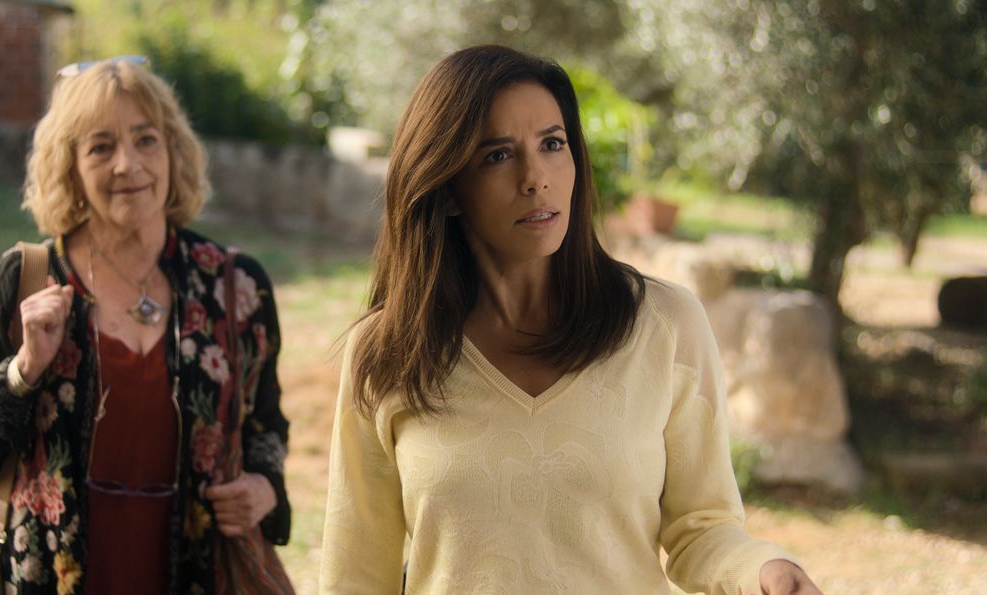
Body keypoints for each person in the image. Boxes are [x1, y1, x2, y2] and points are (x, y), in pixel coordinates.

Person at [319, 45, 822, 594]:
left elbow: (701, 530)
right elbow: (355, 573)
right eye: (497, 155)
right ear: (447, 191)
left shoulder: (665, 326)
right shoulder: (389, 351)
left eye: (552, 144)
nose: (536, 177)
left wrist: (764, 569)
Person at [0, 56, 291, 594]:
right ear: (70, 167)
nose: (128, 164)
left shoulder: (235, 288)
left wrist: (266, 488)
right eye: (101, 147)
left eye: (146, 140)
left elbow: (265, 427)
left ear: (172, 150)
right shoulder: (28, 279)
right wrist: (23, 370)